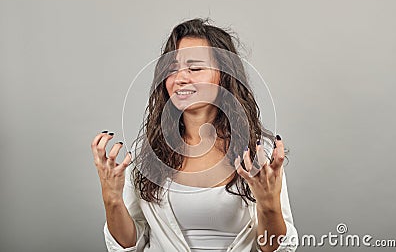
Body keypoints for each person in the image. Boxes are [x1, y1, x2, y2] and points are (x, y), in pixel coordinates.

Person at [91, 18, 298, 252]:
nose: (180, 78)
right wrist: (112, 199)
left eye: (195, 68)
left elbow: (278, 248)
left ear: (224, 75)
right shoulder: (145, 153)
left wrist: (269, 204)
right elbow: (129, 244)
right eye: (172, 70)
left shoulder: (260, 151)